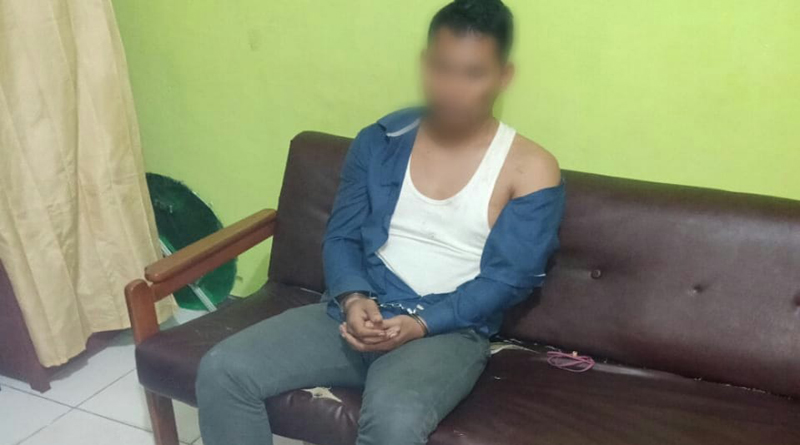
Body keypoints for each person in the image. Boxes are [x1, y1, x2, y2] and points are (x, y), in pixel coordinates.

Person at [196, 1, 565, 444]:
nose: (452, 88)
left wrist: (422, 323)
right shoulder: (381, 140)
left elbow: (510, 279)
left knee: (394, 422)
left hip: (445, 329)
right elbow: (341, 236)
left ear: (503, 76)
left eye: (473, 74)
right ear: (424, 63)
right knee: (224, 370)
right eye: (441, 68)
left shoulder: (529, 167)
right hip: (361, 308)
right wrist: (353, 297)